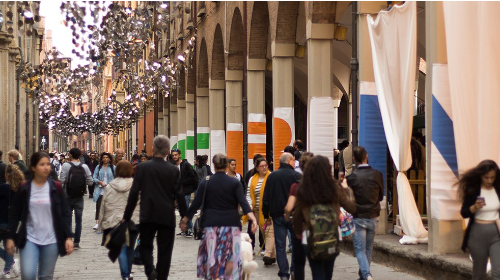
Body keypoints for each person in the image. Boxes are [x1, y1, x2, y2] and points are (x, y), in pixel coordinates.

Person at [180, 153, 258, 280]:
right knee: (231, 256)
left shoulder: (206, 183)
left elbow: (196, 204)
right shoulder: (234, 182)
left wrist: (185, 219)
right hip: (232, 226)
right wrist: (253, 218)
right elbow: (243, 202)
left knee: (213, 256)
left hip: (211, 225)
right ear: (227, 166)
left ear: (214, 166)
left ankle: (215, 276)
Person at [122, 135, 187, 280]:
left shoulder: (142, 168)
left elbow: (134, 193)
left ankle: (150, 270)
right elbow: (180, 194)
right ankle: (161, 276)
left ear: (152, 148)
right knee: (165, 250)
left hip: (148, 213)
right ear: (168, 151)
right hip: (166, 215)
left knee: (145, 245)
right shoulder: (173, 170)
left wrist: (126, 216)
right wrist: (184, 216)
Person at [6, 152, 74, 279]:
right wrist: (10, 237)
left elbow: (65, 213)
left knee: (46, 276)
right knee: (28, 274)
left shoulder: (56, 187)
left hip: (52, 239)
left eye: (48, 164)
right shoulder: (24, 188)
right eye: (42, 164)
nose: (46, 167)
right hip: (29, 238)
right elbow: (14, 213)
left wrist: (68, 237)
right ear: (33, 167)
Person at [293, 155, 356, 279]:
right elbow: (352, 208)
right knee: (328, 273)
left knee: (317, 272)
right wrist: (347, 189)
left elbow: (297, 215)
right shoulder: (335, 188)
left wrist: (299, 233)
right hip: (332, 235)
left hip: (310, 236)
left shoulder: (303, 189)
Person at [458, 159, 500, 280]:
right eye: (486, 177)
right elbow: (464, 213)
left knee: (498, 271)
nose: (489, 180)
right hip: (478, 232)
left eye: (492, 177)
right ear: (480, 176)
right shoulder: (474, 190)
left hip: (496, 232)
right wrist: (474, 207)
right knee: (479, 274)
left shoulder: (497, 189)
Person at [346, 146, 383, 280]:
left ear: (354, 159)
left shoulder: (352, 177)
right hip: (373, 215)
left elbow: (346, 197)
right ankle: (364, 275)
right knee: (368, 248)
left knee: (359, 249)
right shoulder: (377, 174)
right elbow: (380, 196)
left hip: (358, 215)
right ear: (366, 156)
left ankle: (366, 275)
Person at [262, 152, 301, 280]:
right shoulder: (296, 176)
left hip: (277, 215)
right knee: (296, 244)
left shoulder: (272, 176)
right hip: (294, 215)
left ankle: (284, 273)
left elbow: (266, 196)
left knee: (280, 245)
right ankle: (294, 270)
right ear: (289, 161)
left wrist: (265, 213)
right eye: (293, 160)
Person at [99, 160, 140, 280]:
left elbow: (104, 205)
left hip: (114, 221)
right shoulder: (136, 185)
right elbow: (140, 203)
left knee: (120, 247)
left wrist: (102, 222)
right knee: (130, 247)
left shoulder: (110, 186)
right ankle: (128, 272)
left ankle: (125, 274)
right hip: (133, 220)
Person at [284, 152, 314, 280]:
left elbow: (289, 208)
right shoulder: (321, 185)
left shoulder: (296, 186)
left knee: (299, 261)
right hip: (317, 228)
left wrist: (287, 216)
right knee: (316, 263)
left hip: (300, 228)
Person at [60, 148, 94, 249]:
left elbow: (62, 180)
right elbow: (90, 182)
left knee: (68, 219)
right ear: (80, 155)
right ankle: (76, 242)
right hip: (79, 196)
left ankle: (68, 239)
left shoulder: (66, 165)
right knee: (78, 220)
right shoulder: (84, 166)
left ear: (70, 155)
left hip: (67, 195)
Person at [245, 157, 275, 264]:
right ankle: (272, 254)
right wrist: (249, 206)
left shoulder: (271, 177)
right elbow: (249, 194)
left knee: (268, 232)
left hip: (268, 211)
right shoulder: (252, 179)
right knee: (264, 232)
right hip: (256, 211)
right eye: (261, 166)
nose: (264, 168)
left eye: (266, 165)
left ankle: (267, 255)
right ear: (257, 168)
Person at [0, 164, 24, 278]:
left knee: (7, 245)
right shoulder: (21, 188)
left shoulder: (4, 188)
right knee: (8, 246)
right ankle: (7, 270)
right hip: (14, 223)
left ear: (7, 175)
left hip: (3, 221)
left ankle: (11, 264)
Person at [170, 148, 198, 237]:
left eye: (176, 155)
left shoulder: (185, 165)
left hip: (185, 191)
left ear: (179, 155)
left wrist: (181, 182)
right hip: (177, 192)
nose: (174, 156)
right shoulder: (172, 166)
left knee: (186, 209)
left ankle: (189, 229)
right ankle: (185, 229)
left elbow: (192, 178)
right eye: (173, 155)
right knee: (181, 209)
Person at [93, 152, 115, 230]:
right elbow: (94, 177)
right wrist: (100, 182)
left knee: (109, 207)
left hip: (110, 190)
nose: (105, 159)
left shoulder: (113, 167)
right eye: (104, 157)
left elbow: (116, 178)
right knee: (99, 206)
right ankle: (97, 223)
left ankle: (108, 222)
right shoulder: (98, 167)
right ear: (101, 159)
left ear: (109, 159)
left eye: (107, 157)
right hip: (100, 190)